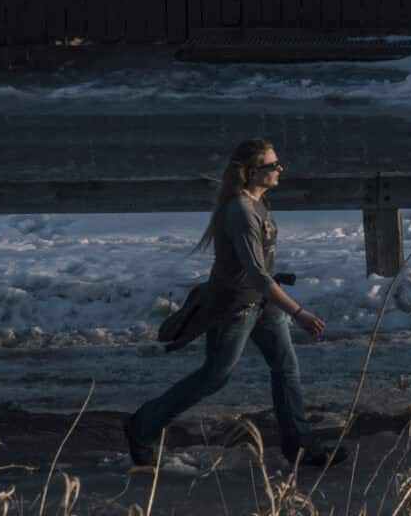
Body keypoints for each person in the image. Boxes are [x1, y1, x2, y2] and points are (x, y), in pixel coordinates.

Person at [124, 138, 348, 470]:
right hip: (235, 307)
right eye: (273, 165)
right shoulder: (241, 211)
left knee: (286, 368)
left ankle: (301, 447)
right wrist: (298, 312)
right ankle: (141, 427)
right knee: (214, 376)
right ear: (252, 172)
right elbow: (257, 274)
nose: (280, 170)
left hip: (262, 302)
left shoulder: (257, 203)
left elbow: (261, 276)